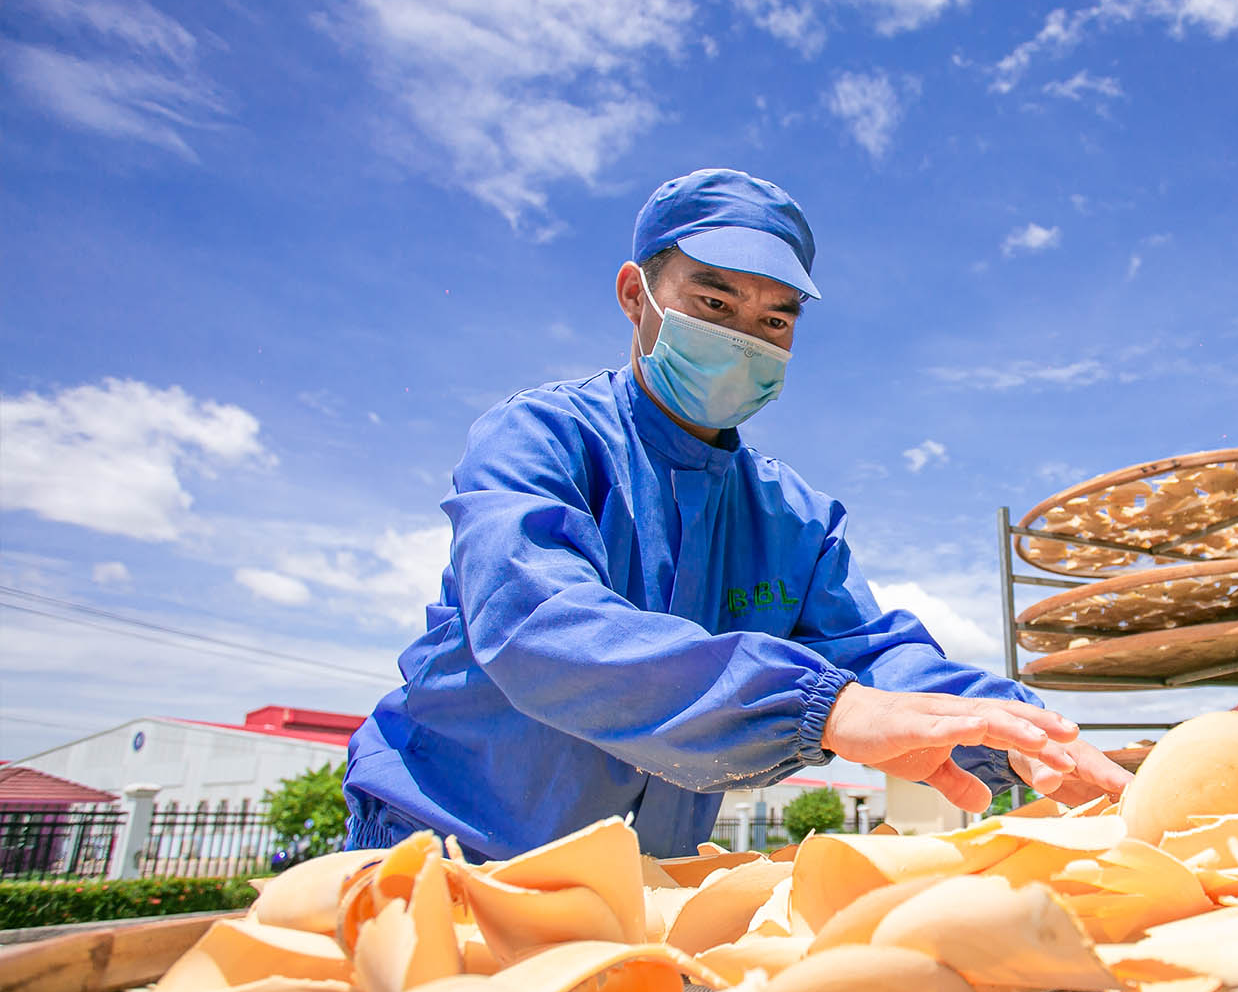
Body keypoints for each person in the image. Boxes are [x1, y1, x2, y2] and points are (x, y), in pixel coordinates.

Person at [340, 169, 1128, 861]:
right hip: (445, 852)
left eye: (774, 320)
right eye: (713, 300)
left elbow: (878, 666)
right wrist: (821, 707)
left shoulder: (793, 520)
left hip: (639, 882)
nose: (742, 338)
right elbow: (536, 625)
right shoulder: (541, 439)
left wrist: (1027, 738)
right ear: (634, 295)